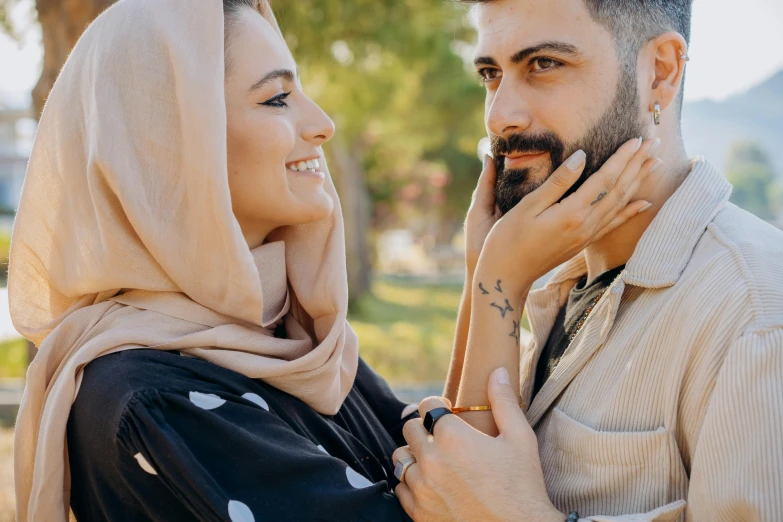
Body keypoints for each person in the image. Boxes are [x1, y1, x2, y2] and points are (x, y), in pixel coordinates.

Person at [9, 0, 655, 521]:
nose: (321, 124)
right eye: (276, 99)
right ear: (171, 149)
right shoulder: (152, 402)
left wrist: (481, 280)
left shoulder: (281, 343)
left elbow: (451, 474)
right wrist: (498, 283)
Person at [392, 0, 783, 521]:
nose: (499, 116)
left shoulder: (757, 314)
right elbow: (457, 485)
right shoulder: (559, 280)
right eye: (491, 73)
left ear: (660, 73)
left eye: (544, 64)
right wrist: (486, 274)